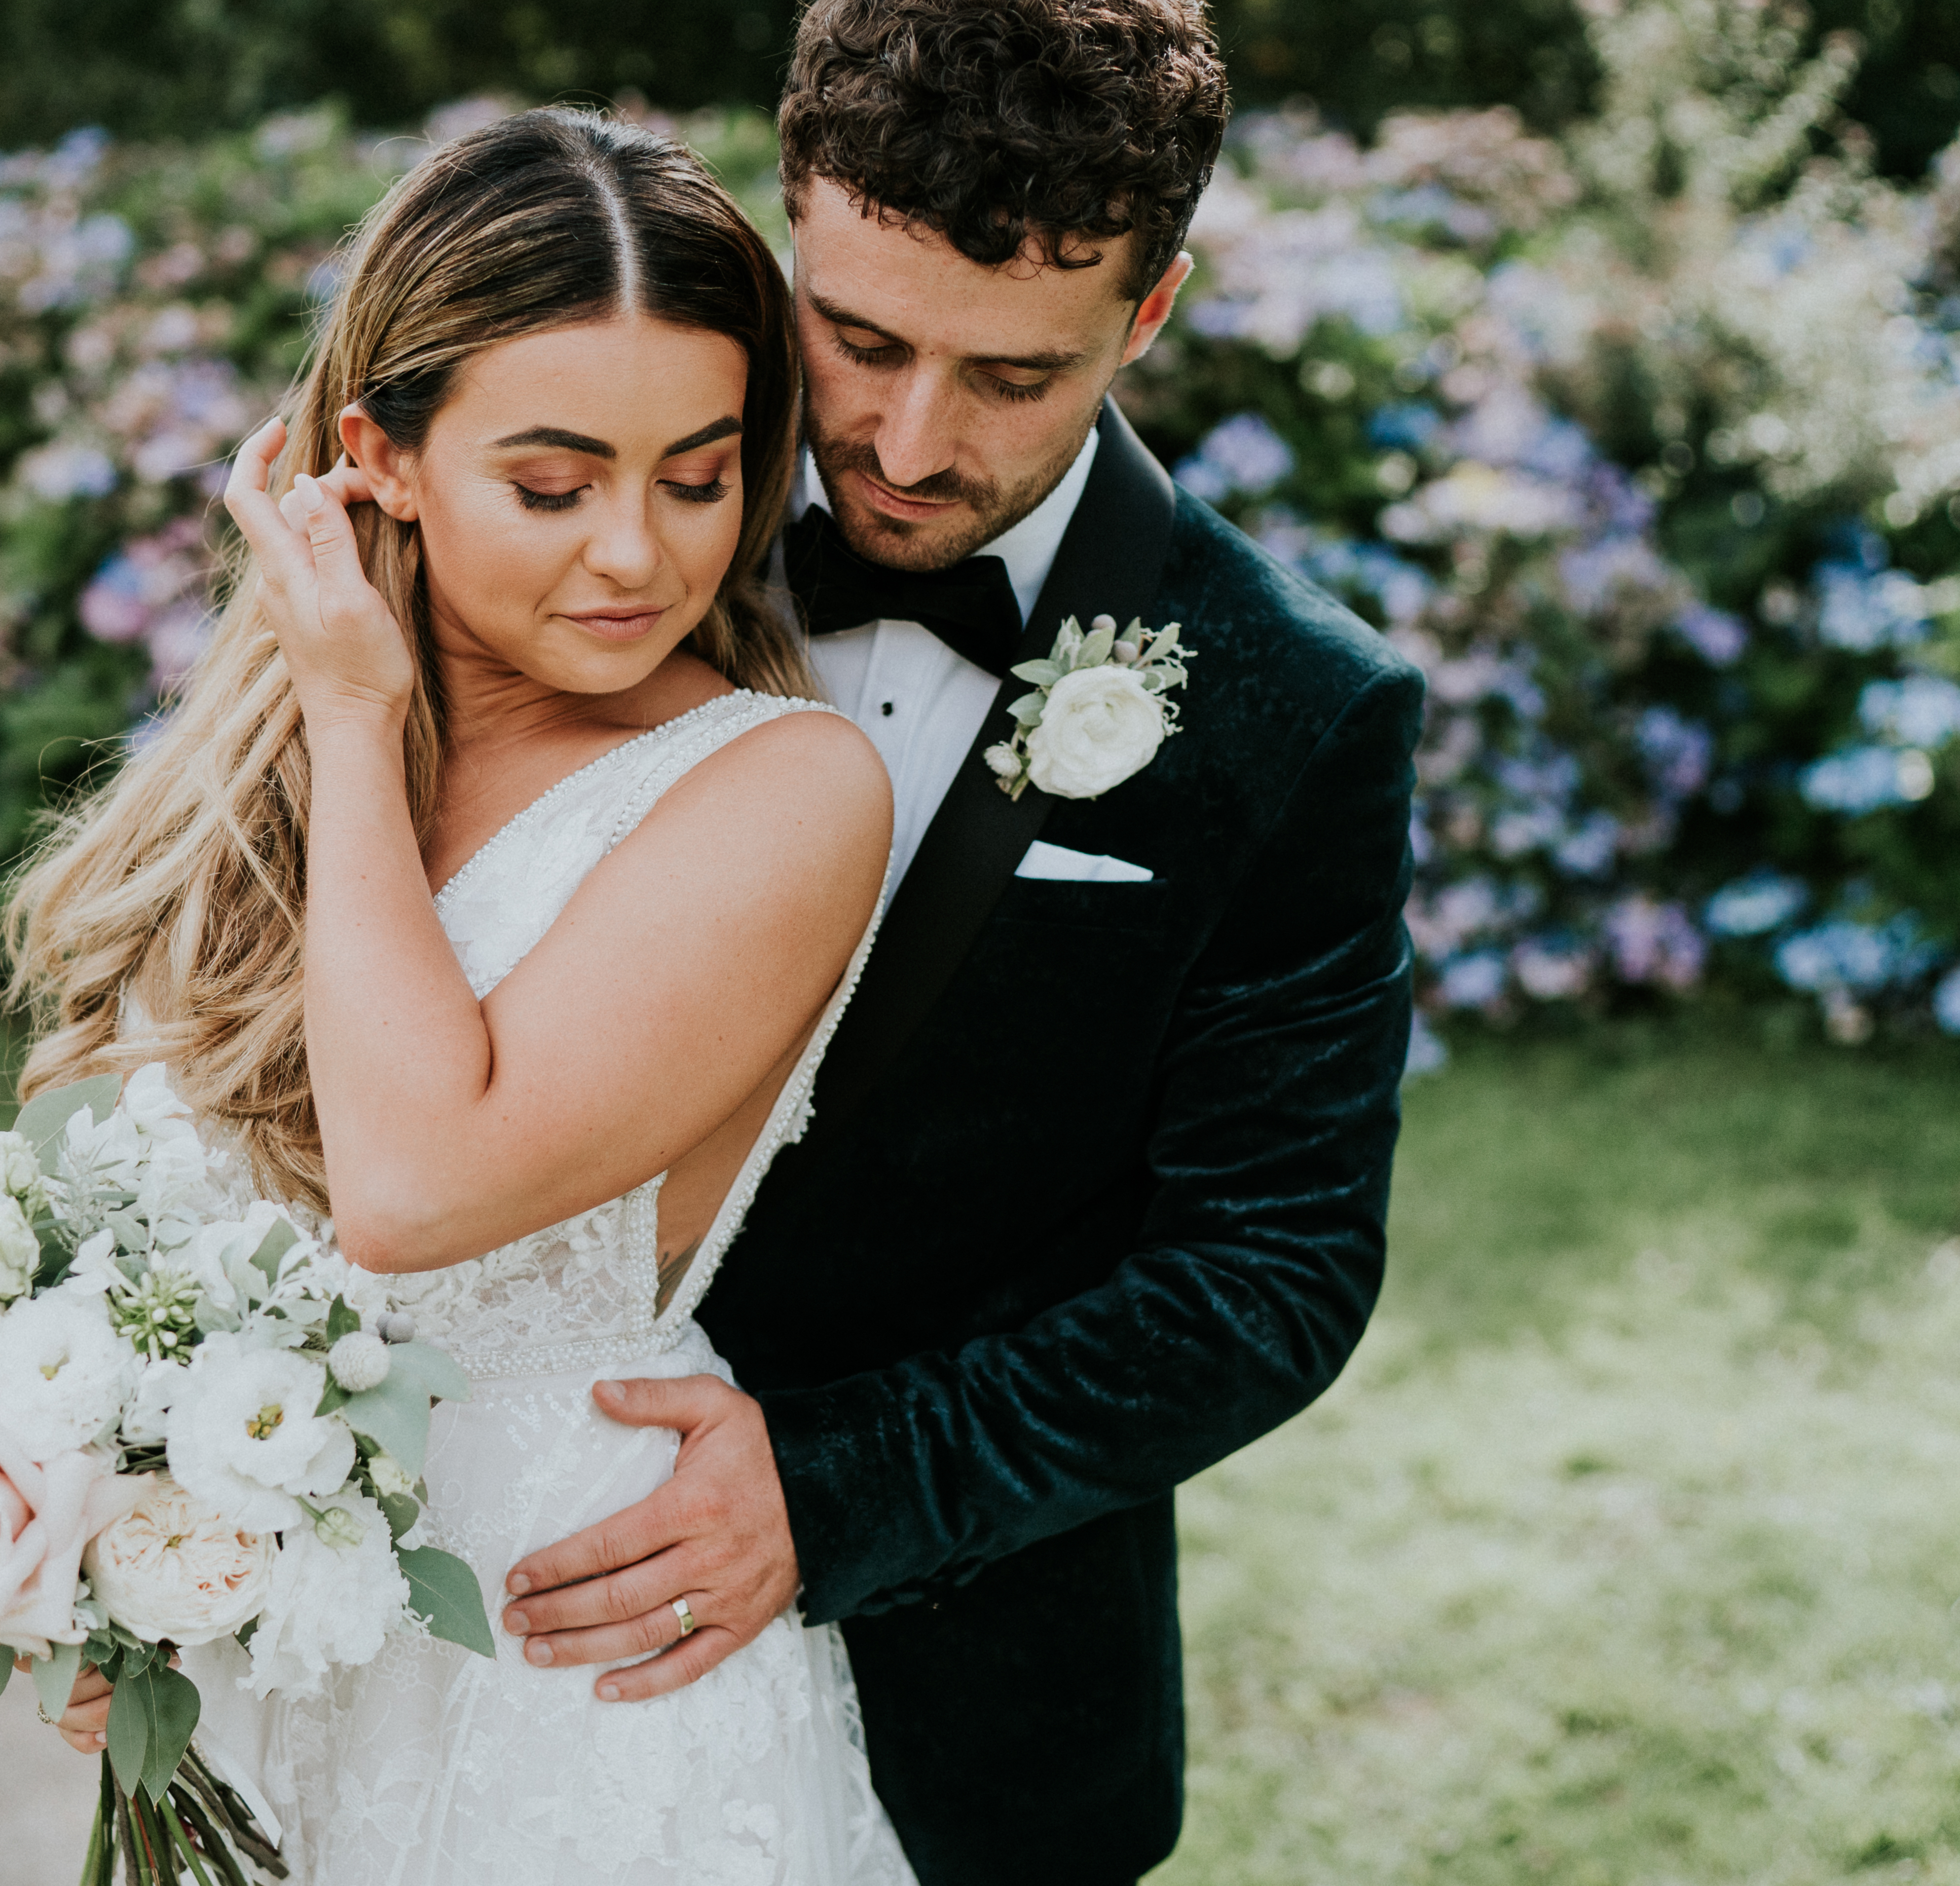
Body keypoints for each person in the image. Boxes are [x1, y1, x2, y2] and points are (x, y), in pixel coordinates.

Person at [489, 3, 1428, 1882]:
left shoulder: (1291, 704)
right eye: (859, 340)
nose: (910, 444)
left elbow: (1273, 1269)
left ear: (1147, 313)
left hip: (970, 1711)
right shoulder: (573, 528)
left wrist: (837, 1492)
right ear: (786, 232)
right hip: (474, 1616)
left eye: (1014, 375)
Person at [3, 109, 922, 1883]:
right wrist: (102, 1549)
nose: (638, 558)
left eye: (701, 475)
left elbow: (419, 1190)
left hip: (576, 1666)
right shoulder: (263, 790)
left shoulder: (783, 788)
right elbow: (110, 1206)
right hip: (283, 1661)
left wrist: (353, 714)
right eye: (556, 485)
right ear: (385, 459)